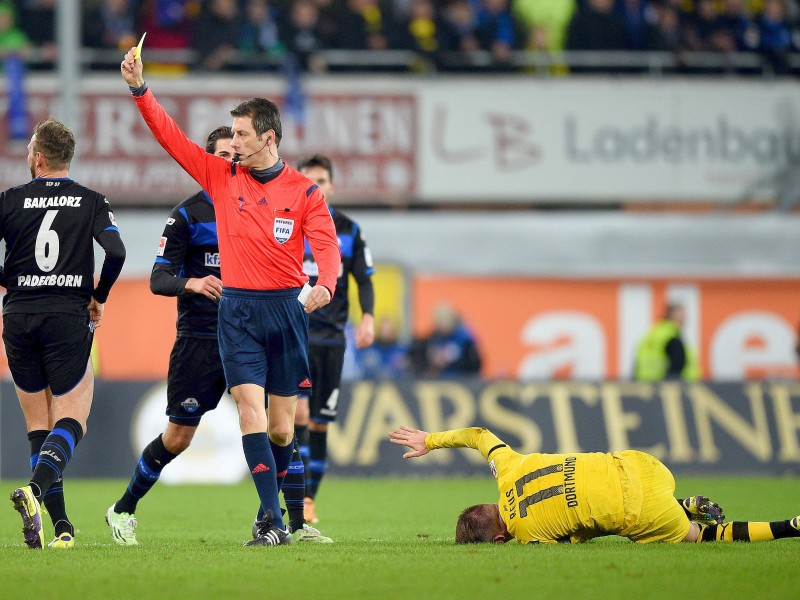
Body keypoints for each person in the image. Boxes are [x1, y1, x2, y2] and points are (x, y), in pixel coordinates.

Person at [120, 46, 340, 547]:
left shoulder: (305, 192)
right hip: (236, 311)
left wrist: (325, 283)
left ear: (268, 137)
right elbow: (170, 138)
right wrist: (140, 90)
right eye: (231, 133)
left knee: (284, 428)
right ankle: (269, 519)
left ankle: (286, 518)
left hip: (287, 309)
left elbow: (326, 247)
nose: (232, 142)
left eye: (241, 134)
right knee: (249, 412)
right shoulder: (221, 178)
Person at [3, 117, 126, 549]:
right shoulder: (91, 200)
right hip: (67, 313)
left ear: (37, 157)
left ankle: (61, 529)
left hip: (17, 316)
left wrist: (10, 279)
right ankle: (34, 492)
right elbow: (117, 251)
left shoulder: (9, 200)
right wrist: (101, 294)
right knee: (73, 417)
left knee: (39, 425)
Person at [389, 425, 800, 545]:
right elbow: (480, 434)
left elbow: (575, 537)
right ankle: (681, 500)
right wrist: (432, 440)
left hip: (644, 511)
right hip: (641, 463)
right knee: (595, 488)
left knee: (702, 538)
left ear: (499, 539)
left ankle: (789, 527)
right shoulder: (509, 469)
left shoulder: (530, 537)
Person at [291, 153, 375, 526]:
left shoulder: (350, 230)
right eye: (309, 180)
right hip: (295, 332)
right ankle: (295, 493)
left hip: (332, 339)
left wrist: (368, 317)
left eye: (321, 181)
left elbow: (364, 278)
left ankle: (308, 498)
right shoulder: (288, 221)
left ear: (331, 186)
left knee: (320, 423)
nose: (316, 187)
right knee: (299, 414)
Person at [408, 302, 482, 377]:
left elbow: (474, 362)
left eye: (443, 321)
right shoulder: (435, 336)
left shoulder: (465, 337)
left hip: (462, 379)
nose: (441, 326)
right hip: (441, 380)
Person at [634, 302, 701, 382]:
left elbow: (637, 363)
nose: (685, 319)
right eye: (682, 315)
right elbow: (678, 363)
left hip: (645, 384)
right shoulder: (671, 337)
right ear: (673, 315)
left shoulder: (652, 334)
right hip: (666, 386)